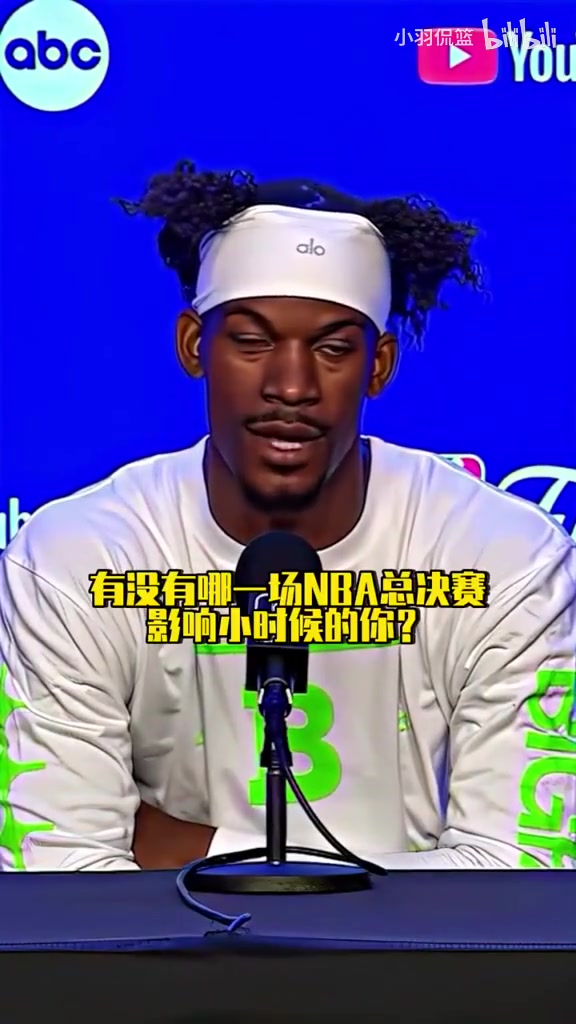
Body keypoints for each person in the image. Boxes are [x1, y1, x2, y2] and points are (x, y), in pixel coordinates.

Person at [1, 161, 575, 873]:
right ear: (193, 346)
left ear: (378, 367)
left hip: (399, 961)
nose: (292, 386)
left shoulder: (507, 559)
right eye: (252, 342)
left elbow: (521, 876)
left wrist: (186, 848)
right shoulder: (76, 559)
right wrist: (353, 876)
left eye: (333, 349)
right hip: (186, 962)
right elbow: (59, 877)